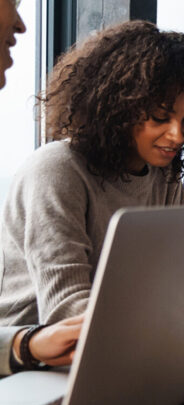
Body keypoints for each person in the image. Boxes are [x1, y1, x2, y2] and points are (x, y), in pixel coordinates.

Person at [0, 20, 184, 350]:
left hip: (126, 347)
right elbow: (66, 316)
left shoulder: (164, 175)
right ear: (118, 108)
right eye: (160, 118)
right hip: (32, 367)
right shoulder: (56, 169)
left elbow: (165, 289)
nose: (177, 135)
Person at [0, 0, 84, 377]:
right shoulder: (54, 169)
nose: (21, 25)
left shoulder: (163, 177)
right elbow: (70, 310)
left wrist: (25, 346)